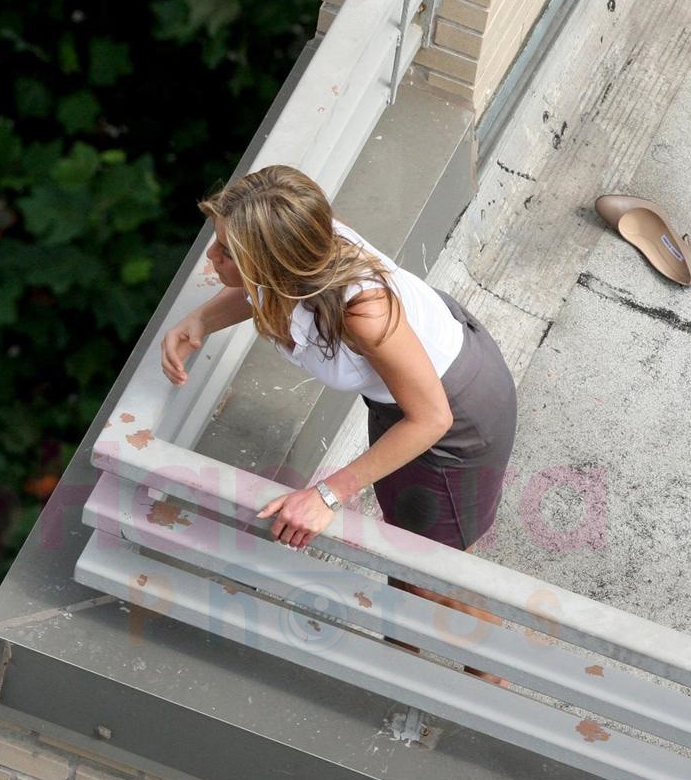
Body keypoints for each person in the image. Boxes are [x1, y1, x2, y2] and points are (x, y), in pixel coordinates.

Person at [160, 164, 519, 681]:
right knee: (408, 551)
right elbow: (262, 288)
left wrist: (326, 495)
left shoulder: (364, 314)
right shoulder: (299, 244)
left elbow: (433, 416)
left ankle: (494, 674)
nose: (211, 259)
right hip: (405, 397)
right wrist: (199, 320)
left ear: (268, 260)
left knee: (427, 570)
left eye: (225, 254)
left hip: (451, 417)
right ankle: (400, 660)